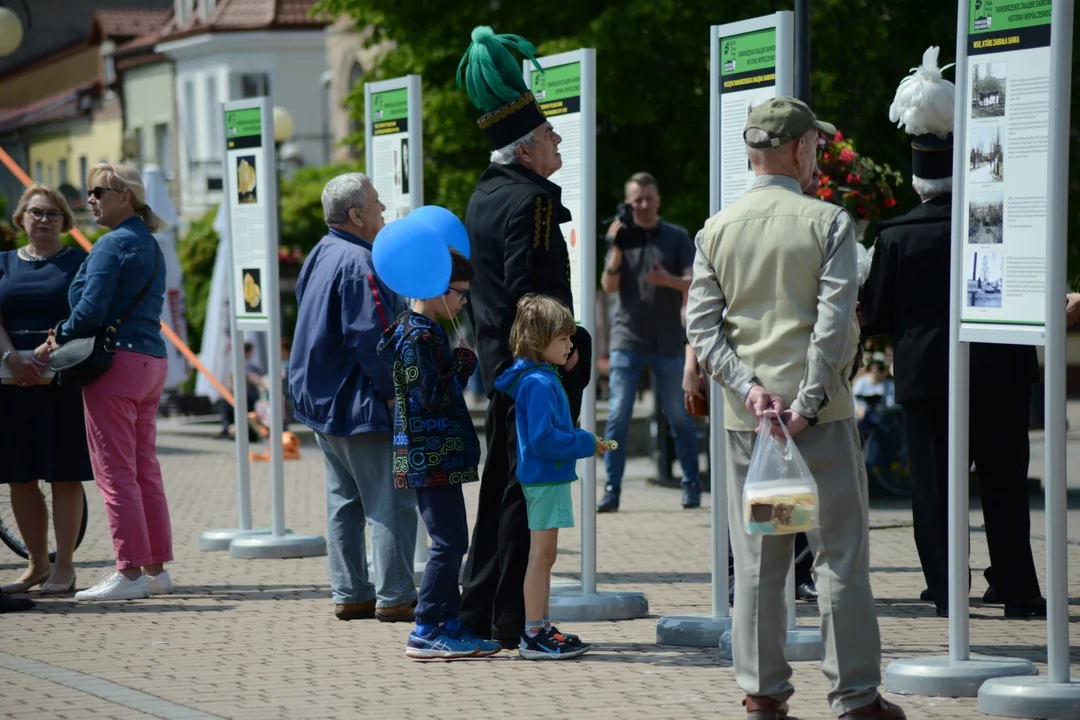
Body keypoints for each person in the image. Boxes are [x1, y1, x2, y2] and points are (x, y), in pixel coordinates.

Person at [687, 97, 904, 719]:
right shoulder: (828, 222)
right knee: (838, 560)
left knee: (760, 559)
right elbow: (834, 329)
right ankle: (856, 696)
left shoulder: (716, 228)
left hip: (747, 426)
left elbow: (704, 328)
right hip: (820, 422)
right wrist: (805, 405)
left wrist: (751, 391)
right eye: (814, 146)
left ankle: (762, 695)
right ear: (799, 149)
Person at [860, 47, 1045, 619]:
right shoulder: (993, 224)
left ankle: (946, 591)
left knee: (935, 491)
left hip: (927, 376)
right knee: (1005, 484)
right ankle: (1018, 588)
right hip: (1002, 372)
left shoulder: (895, 236)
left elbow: (880, 317)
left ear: (918, 180)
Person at [455, 26, 593, 649]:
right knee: (523, 494)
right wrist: (569, 349)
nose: (558, 139)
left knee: (503, 489)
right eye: (548, 134)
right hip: (533, 369)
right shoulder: (533, 202)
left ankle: (484, 612)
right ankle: (514, 619)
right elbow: (533, 297)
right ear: (525, 149)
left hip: (501, 365)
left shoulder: (484, 193)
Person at [289, 173, 418, 622]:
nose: (384, 210)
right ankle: (396, 594)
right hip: (359, 401)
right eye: (377, 203)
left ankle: (351, 592)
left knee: (344, 501)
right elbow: (373, 337)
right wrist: (391, 392)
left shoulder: (320, 252)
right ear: (356, 214)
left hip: (323, 400)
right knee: (391, 499)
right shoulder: (361, 262)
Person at [47, 164, 173, 602]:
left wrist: (56, 336)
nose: (90, 200)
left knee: (115, 473)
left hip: (114, 364)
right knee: (144, 471)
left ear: (125, 195)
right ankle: (155, 571)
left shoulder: (111, 245)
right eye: (89, 192)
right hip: (151, 361)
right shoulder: (150, 244)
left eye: (98, 192)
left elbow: (89, 313)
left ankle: (129, 572)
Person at [377, 249, 501, 659]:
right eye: (460, 293)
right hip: (429, 455)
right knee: (448, 543)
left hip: (434, 455)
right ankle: (426, 626)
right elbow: (430, 397)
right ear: (435, 289)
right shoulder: (419, 336)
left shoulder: (421, 331)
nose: (464, 301)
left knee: (452, 539)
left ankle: (449, 623)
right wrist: (463, 366)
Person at [495, 294, 604, 659]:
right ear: (540, 341)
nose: (570, 344)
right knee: (541, 557)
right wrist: (585, 442)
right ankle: (533, 633)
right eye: (562, 338)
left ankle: (540, 626)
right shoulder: (538, 383)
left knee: (547, 556)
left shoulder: (542, 378)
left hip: (548, 478)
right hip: (543, 478)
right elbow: (544, 438)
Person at [0, 185, 91, 596]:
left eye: (53, 214)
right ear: (21, 217)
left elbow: (86, 315)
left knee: (64, 474)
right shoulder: (2, 263)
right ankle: (36, 563)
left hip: (61, 382)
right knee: (19, 476)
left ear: (66, 222)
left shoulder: (79, 262)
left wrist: (44, 354)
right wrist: (11, 360)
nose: (44, 220)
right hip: (10, 382)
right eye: (36, 212)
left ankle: (65, 567)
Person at [599, 172, 700, 512]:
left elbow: (693, 281)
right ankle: (612, 490)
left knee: (679, 416)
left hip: (669, 340)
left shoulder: (676, 236)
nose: (641, 205)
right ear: (627, 204)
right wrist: (615, 246)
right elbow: (608, 287)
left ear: (657, 200)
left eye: (647, 198)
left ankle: (691, 486)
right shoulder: (620, 238)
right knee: (617, 416)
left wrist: (665, 280)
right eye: (635, 200)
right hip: (627, 338)